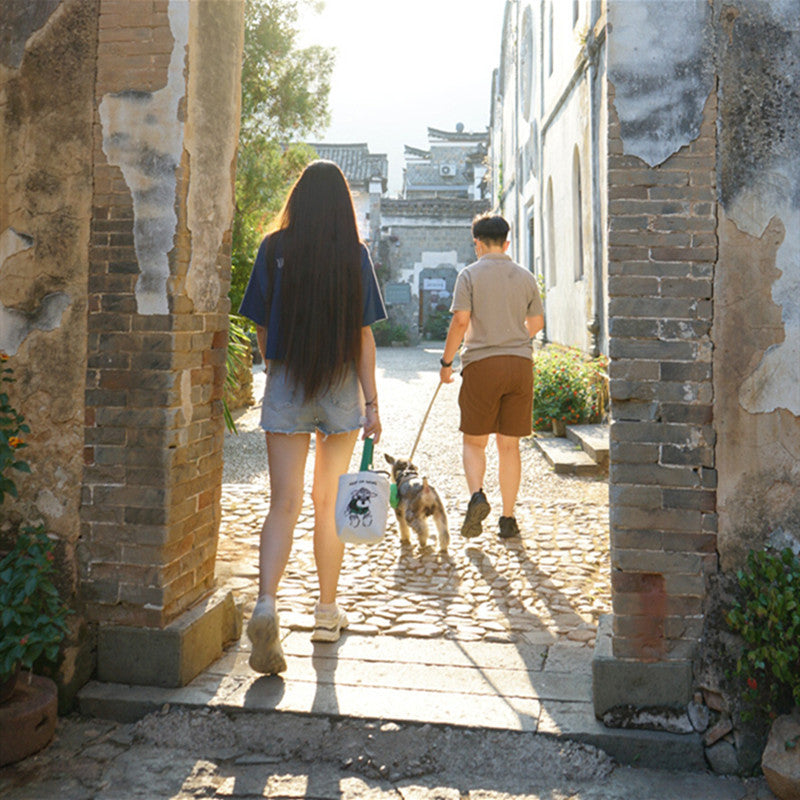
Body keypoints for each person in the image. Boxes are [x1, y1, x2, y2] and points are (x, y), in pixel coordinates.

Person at [238, 160, 386, 675]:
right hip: (342, 385)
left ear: (297, 199)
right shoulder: (355, 254)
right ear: (343, 204)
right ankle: (326, 613)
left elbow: (259, 324)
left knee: (283, 504)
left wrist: (277, 367)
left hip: (287, 380)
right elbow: (365, 336)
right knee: (330, 505)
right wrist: (371, 402)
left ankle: (265, 605)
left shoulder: (274, 249)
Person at [439, 213, 544, 540]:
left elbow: (459, 322)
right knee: (509, 446)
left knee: (474, 441)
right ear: (507, 242)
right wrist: (515, 340)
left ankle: (477, 496)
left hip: (482, 365)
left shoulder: (469, 275)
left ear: (477, 244)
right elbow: (537, 323)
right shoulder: (526, 277)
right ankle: (508, 519)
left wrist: (446, 363)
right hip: (519, 365)